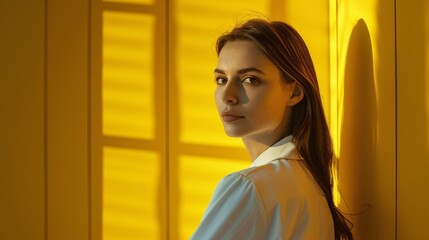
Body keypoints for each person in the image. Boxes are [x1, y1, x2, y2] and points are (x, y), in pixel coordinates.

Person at [191, 19, 353, 240]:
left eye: (250, 79)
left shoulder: (250, 188)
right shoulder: (310, 183)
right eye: (221, 79)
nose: (227, 95)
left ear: (294, 93)